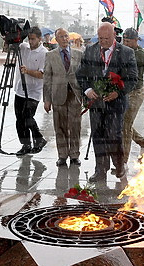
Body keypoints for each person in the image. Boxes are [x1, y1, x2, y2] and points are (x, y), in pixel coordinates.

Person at [76, 22, 138, 182]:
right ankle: (100, 170)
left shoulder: (126, 53)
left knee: (113, 135)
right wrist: (87, 90)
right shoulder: (90, 50)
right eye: (100, 38)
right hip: (96, 103)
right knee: (98, 135)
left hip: (115, 103)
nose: (102, 41)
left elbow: (132, 78)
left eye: (106, 38)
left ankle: (119, 167)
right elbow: (81, 74)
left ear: (114, 36)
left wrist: (117, 92)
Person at [43, 28, 83, 167]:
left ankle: (74, 155)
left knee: (75, 126)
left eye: (66, 36)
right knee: (60, 127)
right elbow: (47, 78)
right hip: (58, 95)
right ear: (56, 39)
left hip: (75, 95)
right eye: (61, 36)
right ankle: (62, 155)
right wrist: (47, 99)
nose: (65, 39)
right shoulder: (50, 55)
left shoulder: (79, 54)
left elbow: (83, 76)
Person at [14, 26, 48, 155]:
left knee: (28, 117)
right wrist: (8, 40)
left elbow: (42, 74)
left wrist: (27, 71)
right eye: (29, 39)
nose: (31, 42)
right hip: (20, 89)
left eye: (33, 39)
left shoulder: (44, 53)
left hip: (34, 91)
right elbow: (7, 50)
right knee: (19, 119)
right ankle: (25, 144)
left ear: (40, 39)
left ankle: (39, 139)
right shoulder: (23, 47)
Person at [122, 28, 144, 167]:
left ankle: (123, 161)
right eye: (124, 41)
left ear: (136, 40)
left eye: (128, 41)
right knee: (123, 124)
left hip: (135, 93)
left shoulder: (140, 54)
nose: (126, 43)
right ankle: (143, 143)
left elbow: (127, 62)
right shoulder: (124, 51)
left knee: (125, 125)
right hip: (125, 91)